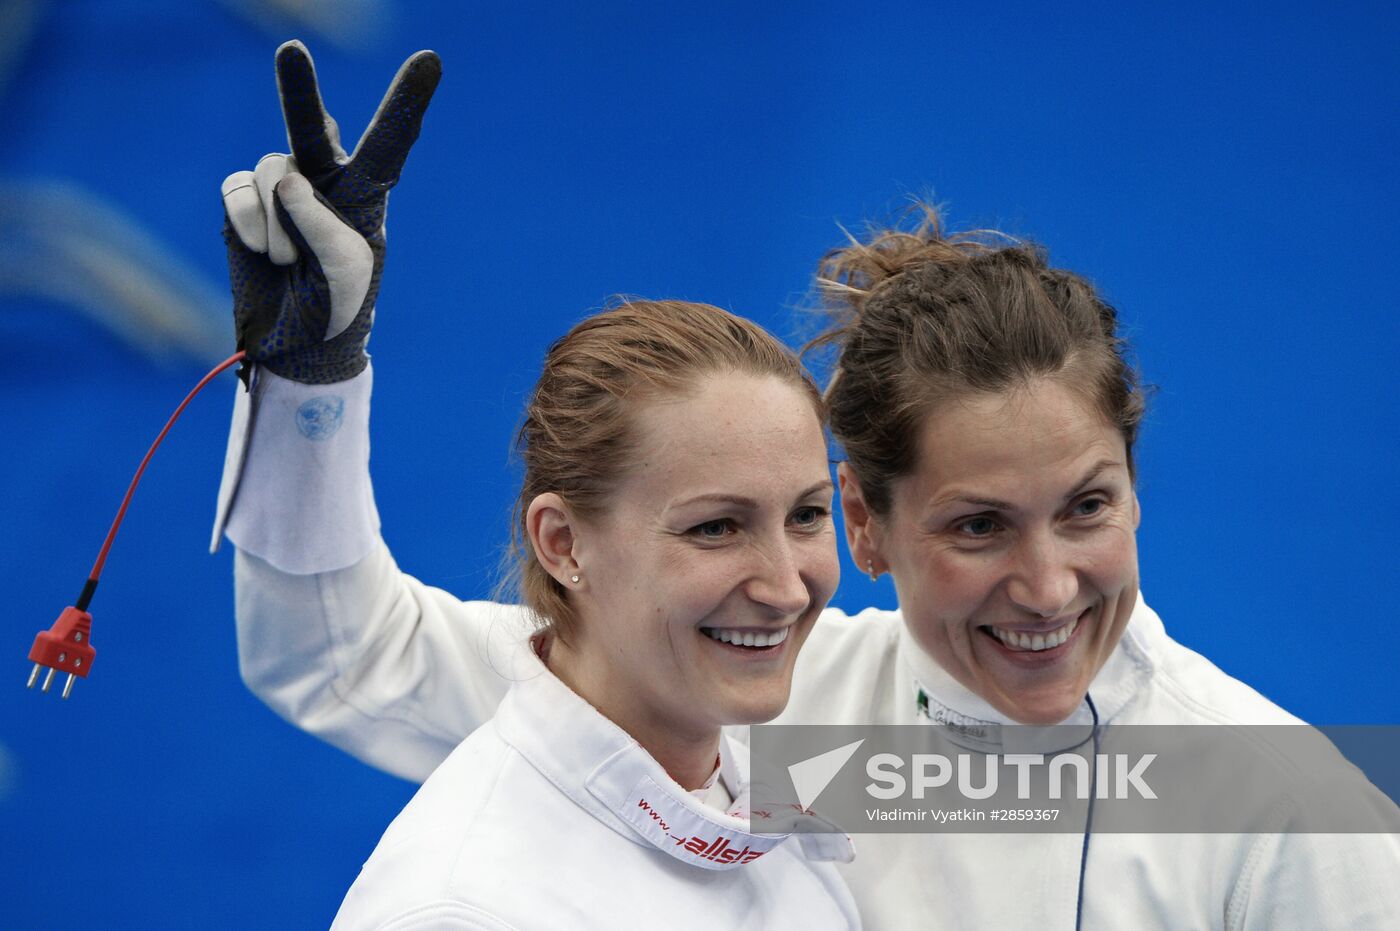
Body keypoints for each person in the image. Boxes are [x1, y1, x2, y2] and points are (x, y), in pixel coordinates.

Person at [217, 47, 1400, 931]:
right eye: (977, 526)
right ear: (865, 527)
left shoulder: (1284, 807)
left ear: (1135, 491)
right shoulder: (769, 706)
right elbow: (349, 658)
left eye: (1085, 506)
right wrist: (312, 386)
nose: (1046, 587)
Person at [220, 42, 861, 930]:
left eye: (808, 514)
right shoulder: (465, 906)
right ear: (563, 544)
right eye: (715, 527)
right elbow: (344, 650)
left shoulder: (787, 751)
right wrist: (306, 384)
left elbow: (1054, 783)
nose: (786, 586)